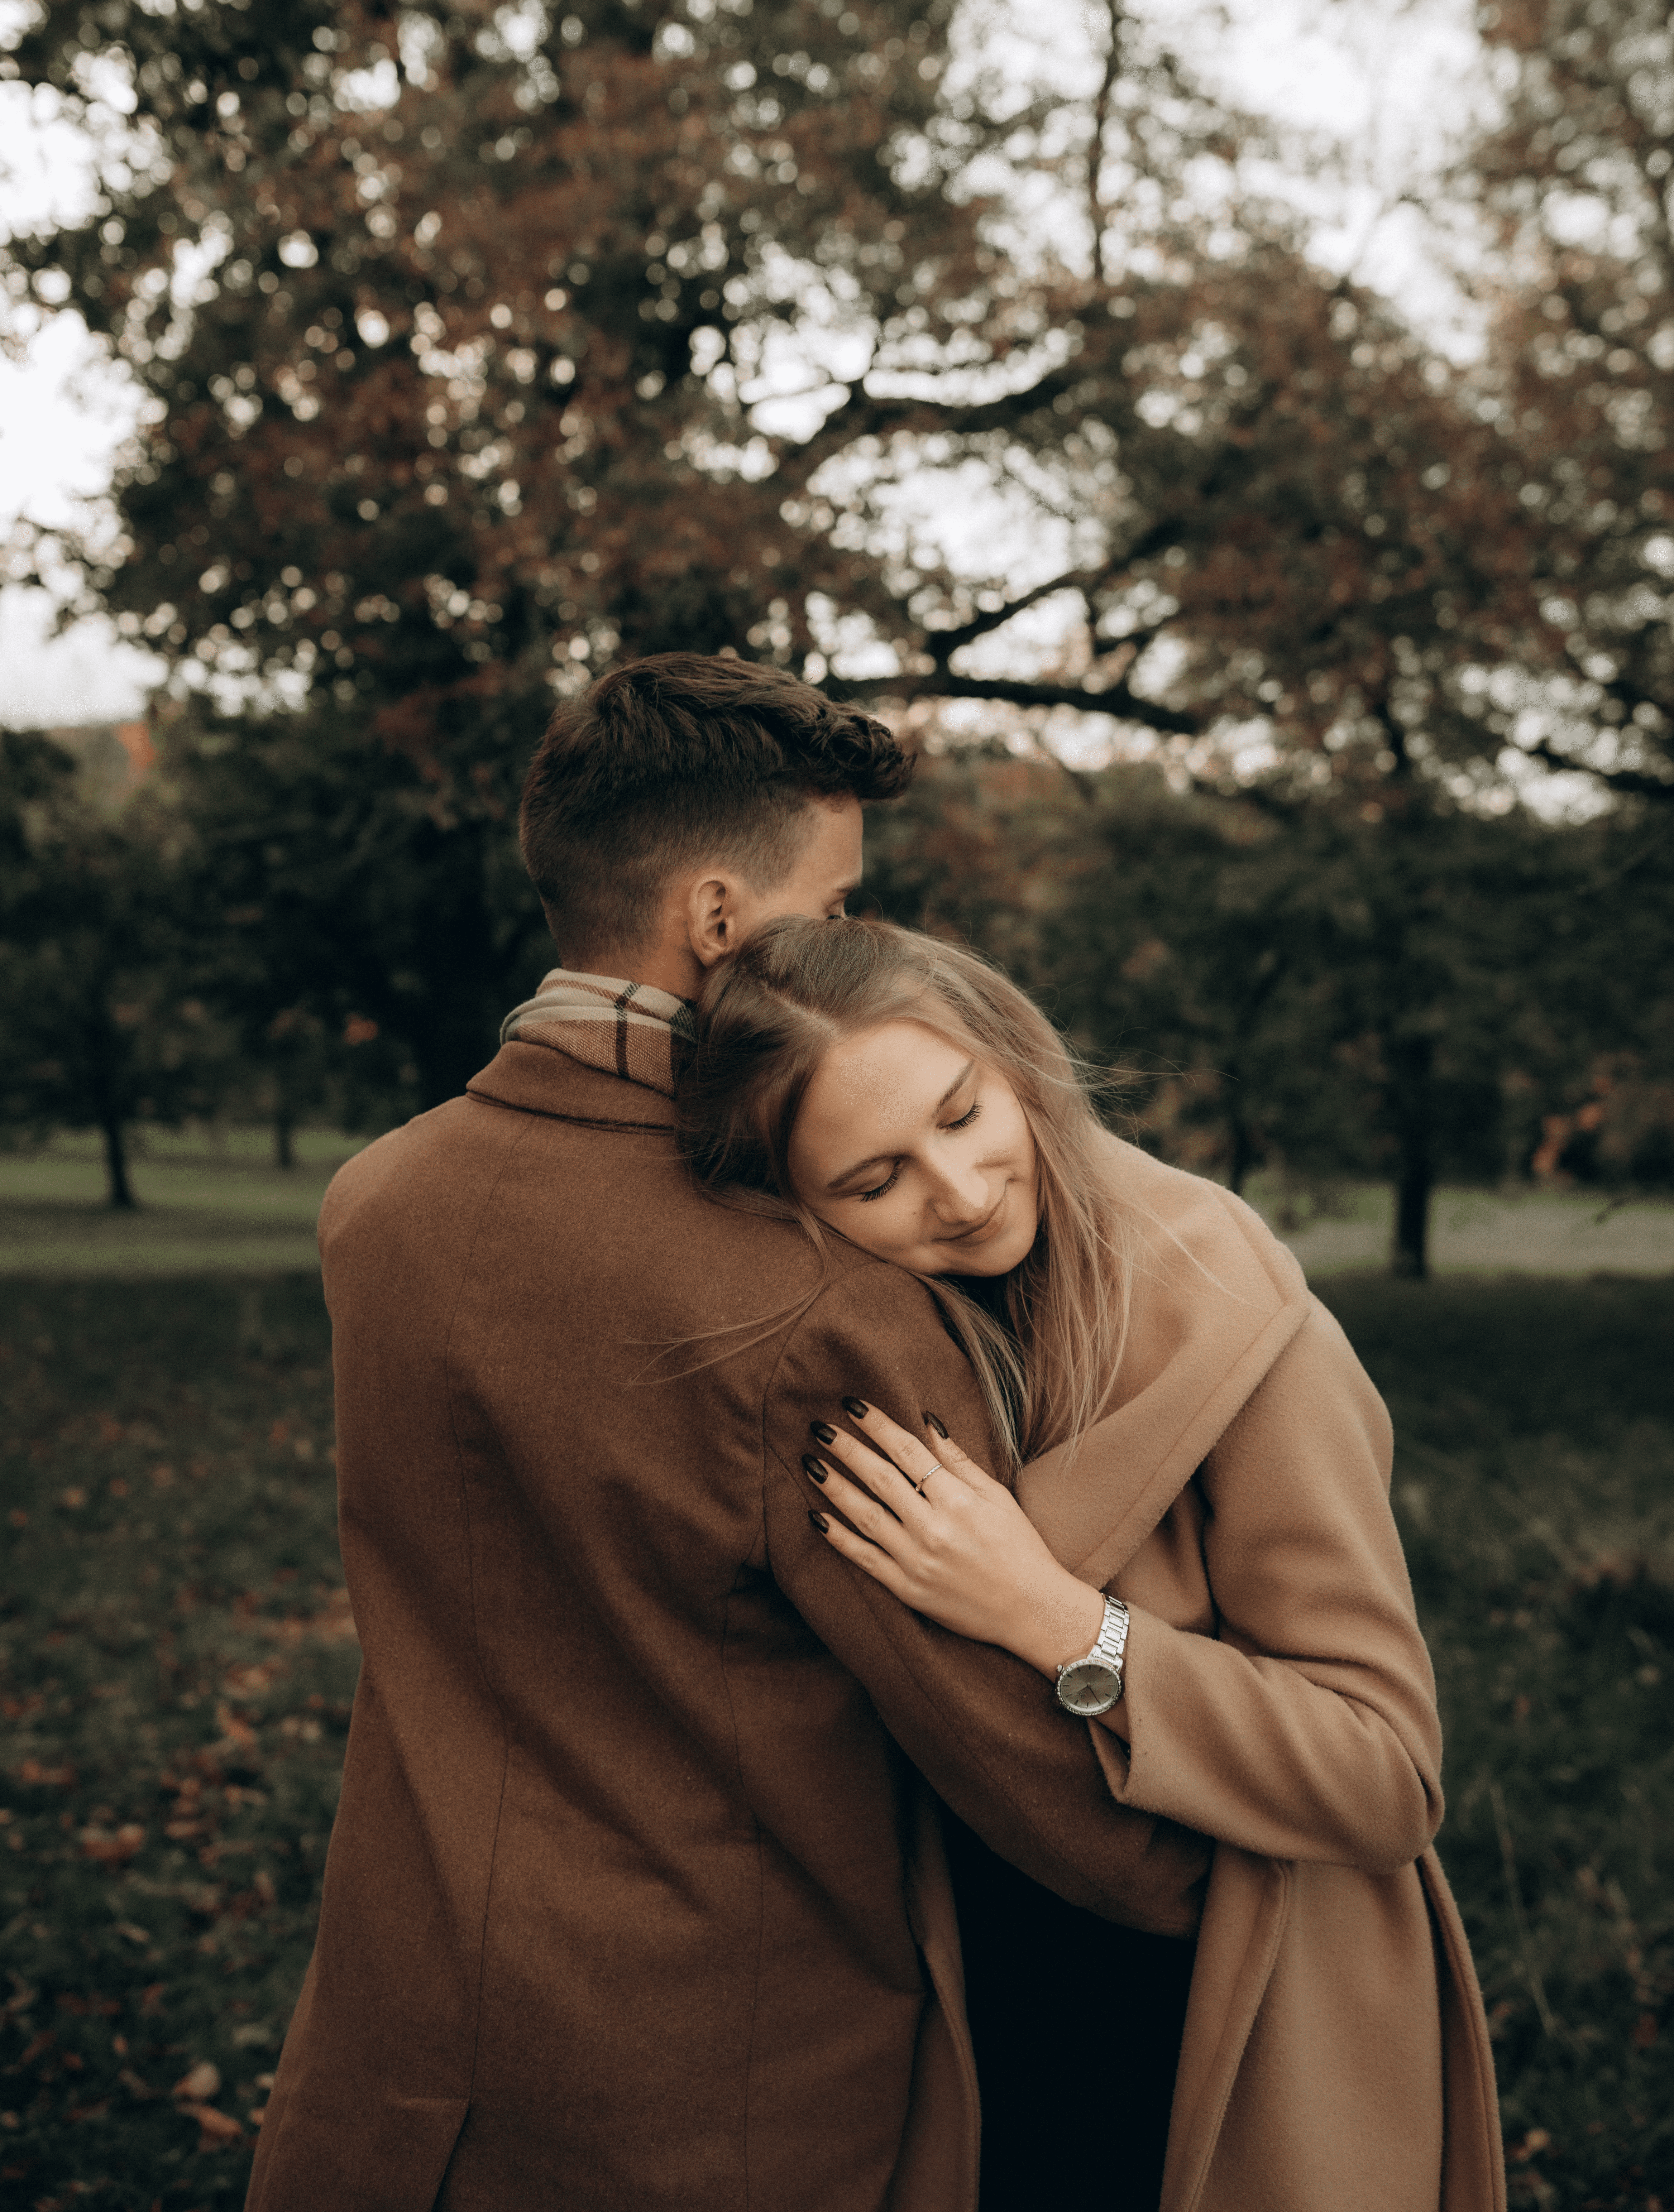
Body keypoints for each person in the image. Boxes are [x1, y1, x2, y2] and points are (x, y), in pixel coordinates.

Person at [244, 653, 1212, 2212]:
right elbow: (997, 1745)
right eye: (829, 910)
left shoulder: (374, 1207)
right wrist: (1198, 1884)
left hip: (404, 2044)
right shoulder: (815, 1300)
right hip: (720, 2094)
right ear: (713, 918)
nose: (850, 950)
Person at [677, 912, 1508, 2212]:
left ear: (1015, 1059)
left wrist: (1062, 1619)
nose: (958, 1190)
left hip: (1237, 1993)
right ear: (796, 1208)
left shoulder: (1239, 1317)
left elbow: (1387, 1773)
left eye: (963, 1113)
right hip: (972, 1982)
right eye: (875, 1180)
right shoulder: (862, 1344)